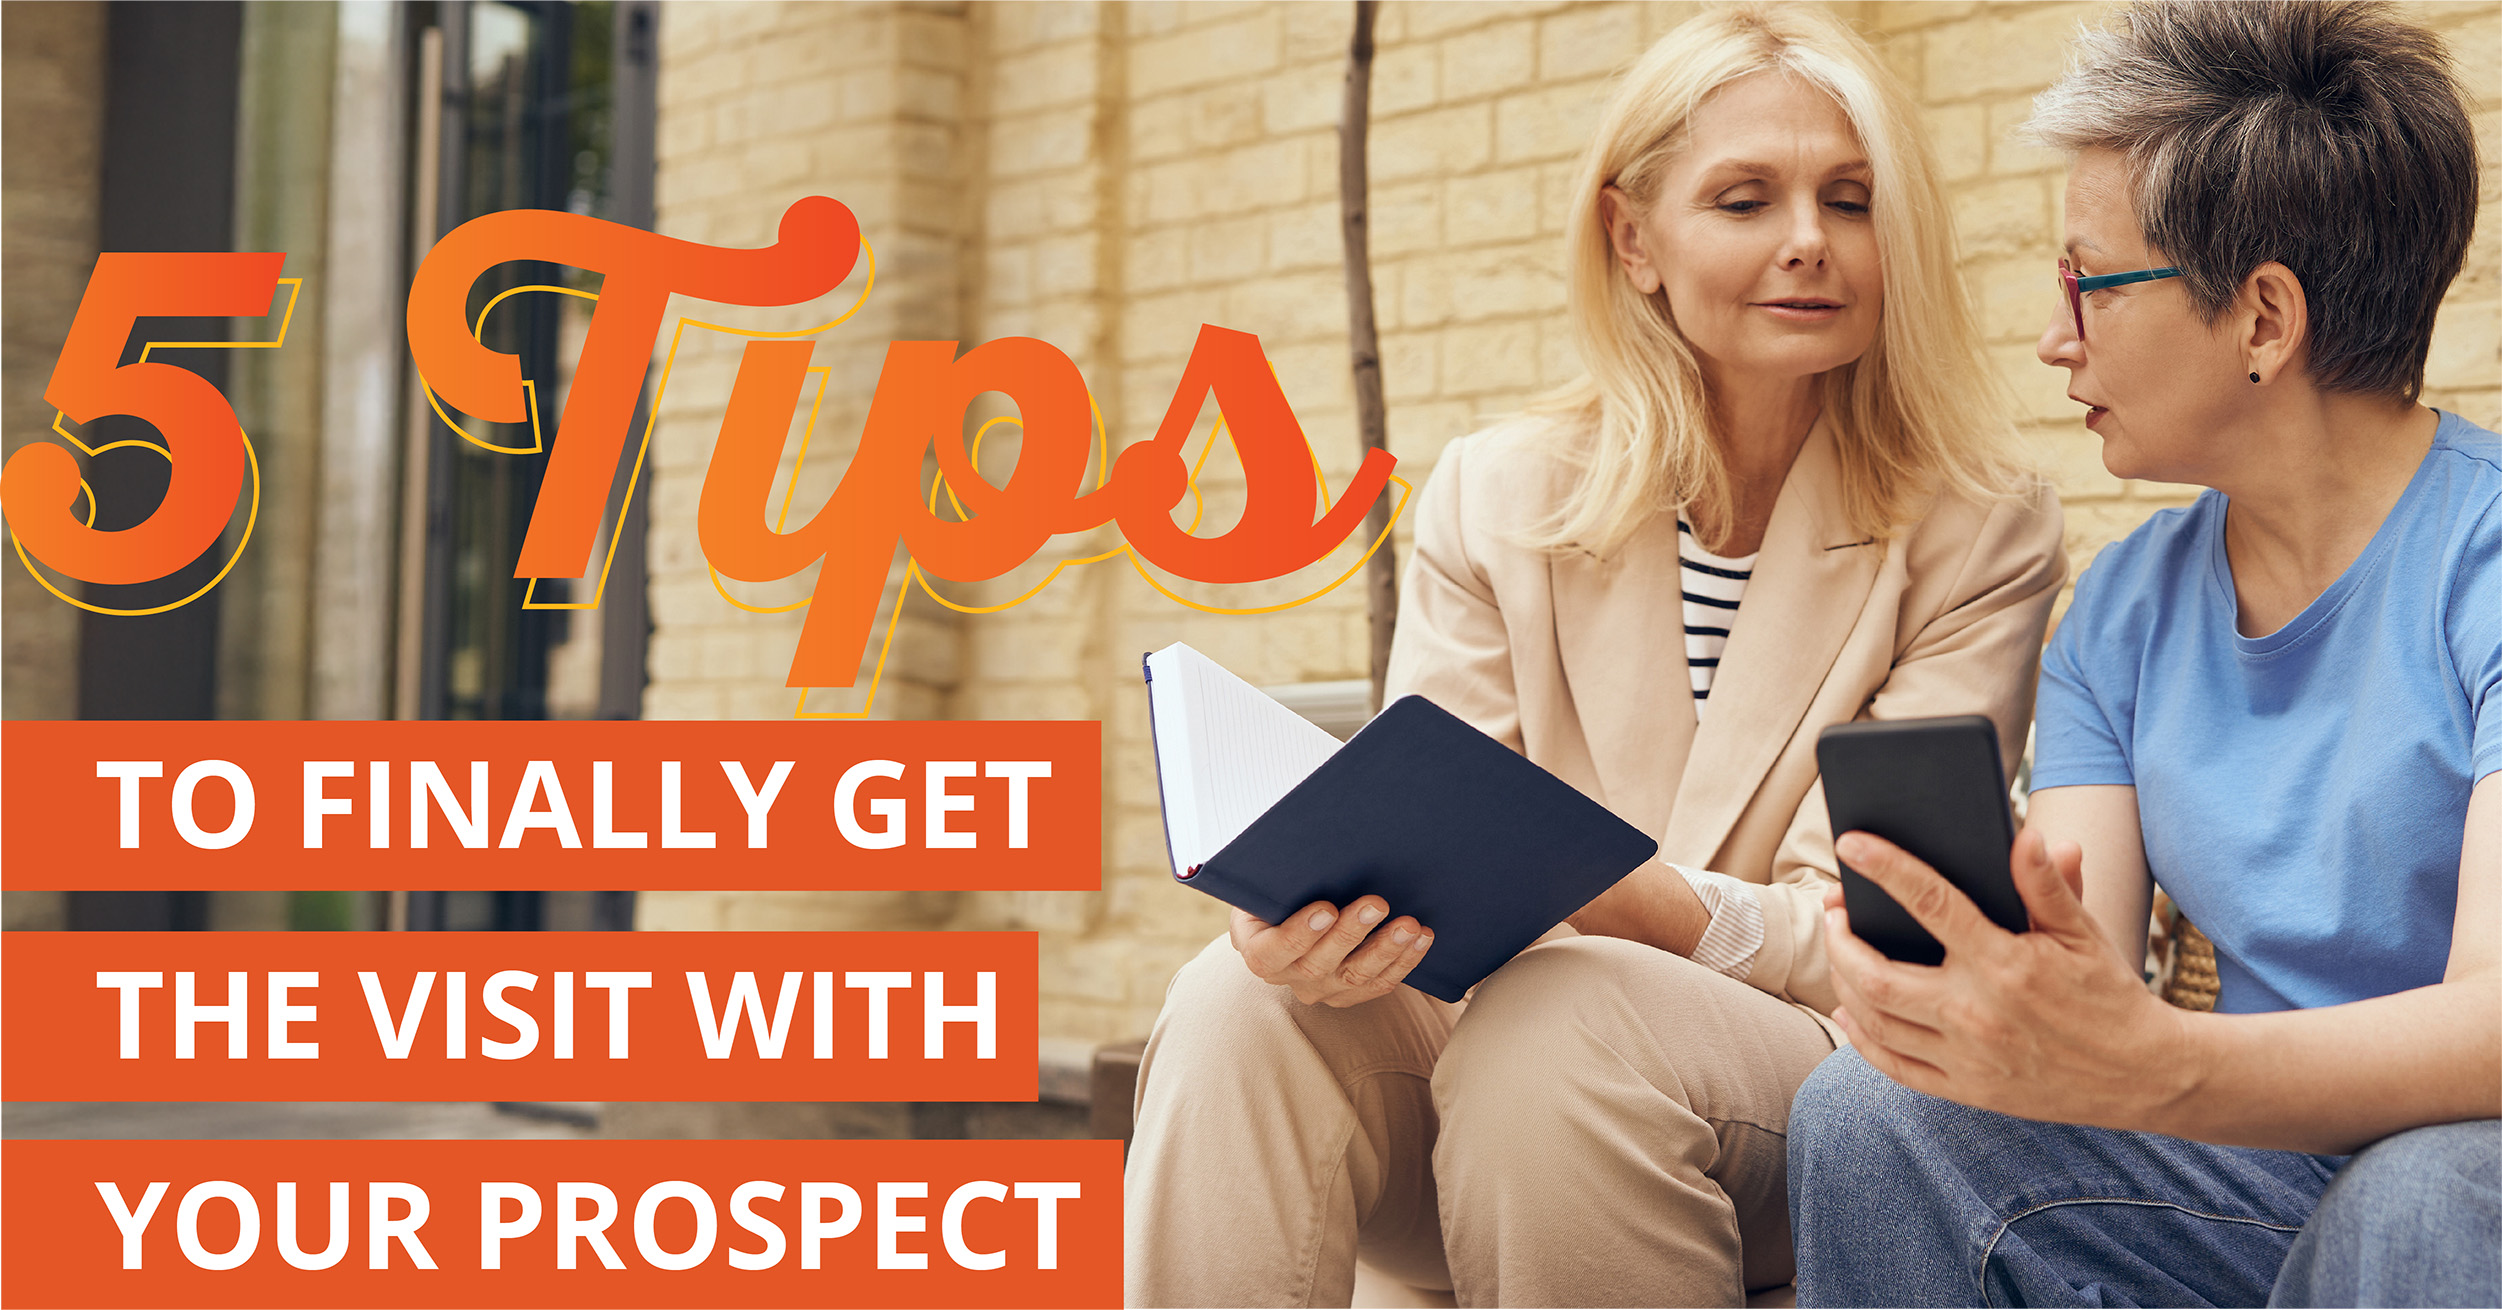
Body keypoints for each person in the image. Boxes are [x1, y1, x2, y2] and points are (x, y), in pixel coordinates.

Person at [1124, 6, 2066, 1306]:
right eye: (1744, 198)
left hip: (1799, 1085)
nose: (1808, 240)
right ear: (1633, 240)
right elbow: (1429, 843)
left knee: (1563, 1022)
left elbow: (1867, 935)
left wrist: (1637, 904)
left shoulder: (1973, 527)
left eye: (1848, 200)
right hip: (1489, 1057)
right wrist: (1319, 920)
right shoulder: (1495, 495)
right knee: (1238, 1001)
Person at [1784, 2, 2501, 1306]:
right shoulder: (2121, 611)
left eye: (2087, 282)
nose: (2055, 338)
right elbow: (2085, 978)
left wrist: (2161, 1062)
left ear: (2262, 320)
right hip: (2252, 1171)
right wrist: (1958, 995)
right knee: (1869, 1106)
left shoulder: (2486, 558)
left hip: (2462, 1184)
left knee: (2427, 1187)